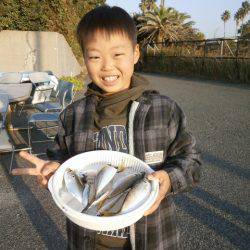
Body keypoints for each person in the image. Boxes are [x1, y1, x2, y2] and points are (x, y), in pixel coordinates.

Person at [12, 5, 201, 250]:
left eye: (117, 54)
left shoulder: (163, 110)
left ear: (135, 53)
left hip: (152, 238)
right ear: (85, 59)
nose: (107, 66)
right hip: (88, 240)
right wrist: (55, 171)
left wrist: (168, 179)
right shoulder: (72, 114)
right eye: (95, 56)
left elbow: (192, 161)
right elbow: (61, 159)